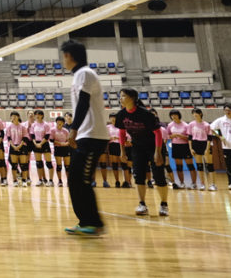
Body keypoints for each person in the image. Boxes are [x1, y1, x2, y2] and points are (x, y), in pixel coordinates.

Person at [60, 40, 110, 236]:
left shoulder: (85, 73)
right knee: (76, 180)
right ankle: (87, 222)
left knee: (81, 179)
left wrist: (73, 129)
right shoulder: (79, 76)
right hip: (86, 135)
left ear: (69, 56)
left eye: (64, 56)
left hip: (93, 136)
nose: (63, 60)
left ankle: (93, 223)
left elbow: (83, 102)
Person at [115, 88, 169, 218]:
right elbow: (121, 133)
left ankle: (163, 204)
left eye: (123, 96)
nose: (120, 98)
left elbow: (158, 133)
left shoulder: (146, 114)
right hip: (137, 147)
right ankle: (142, 204)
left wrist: (158, 152)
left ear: (132, 98)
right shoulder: (121, 114)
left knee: (159, 175)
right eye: (120, 96)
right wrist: (122, 151)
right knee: (138, 176)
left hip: (154, 147)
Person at [165, 110, 195, 189]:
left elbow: (189, 137)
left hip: (185, 146)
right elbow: (167, 136)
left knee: (190, 166)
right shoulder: (170, 125)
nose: (173, 116)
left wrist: (180, 136)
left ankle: (193, 183)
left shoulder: (185, 125)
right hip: (175, 146)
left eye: (175, 115)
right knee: (179, 166)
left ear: (179, 115)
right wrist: (172, 136)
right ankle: (182, 183)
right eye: (172, 115)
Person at [188, 108, 213, 191]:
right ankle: (202, 184)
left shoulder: (206, 125)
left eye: (196, 113)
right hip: (196, 144)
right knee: (199, 166)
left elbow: (209, 138)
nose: (195, 115)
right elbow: (190, 138)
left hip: (205, 144)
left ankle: (212, 184)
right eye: (193, 114)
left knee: (209, 166)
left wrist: (207, 148)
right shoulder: (191, 124)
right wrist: (191, 148)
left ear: (200, 114)